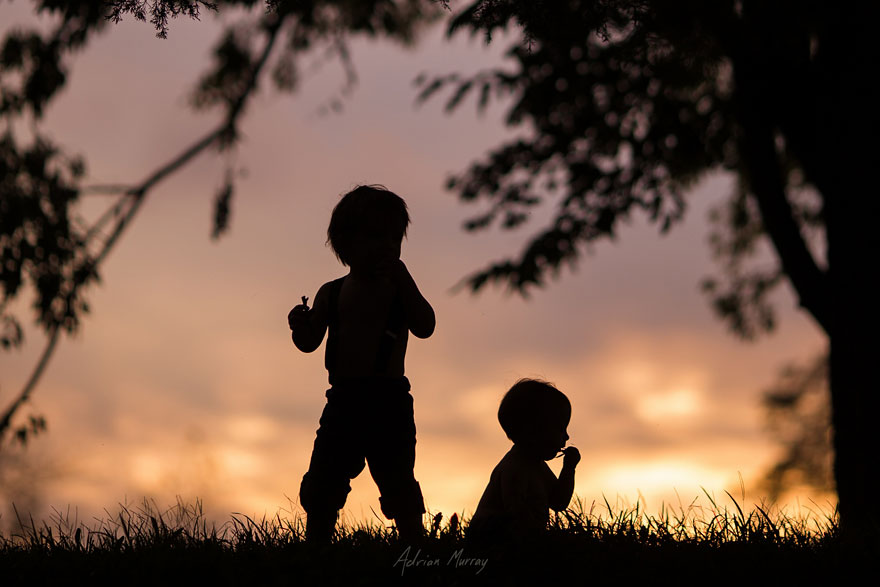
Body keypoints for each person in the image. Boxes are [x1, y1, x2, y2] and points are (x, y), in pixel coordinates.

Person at [288, 185, 435, 543]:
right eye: (374, 237)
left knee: (397, 475)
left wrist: (404, 279)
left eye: (392, 238)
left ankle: (414, 544)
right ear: (345, 244)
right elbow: (309, 343)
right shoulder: (331, 292)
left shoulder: (398, 289)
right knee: (325, 475)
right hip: (343, 400)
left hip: (389, 401)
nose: (386, 246)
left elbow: (425, 325)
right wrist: (299, 326)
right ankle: (317, 544)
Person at [468, 378, 580, 543]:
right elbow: (516, 514)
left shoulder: (536, 466)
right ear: (533, 430)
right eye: (560, 428)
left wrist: (569, 468)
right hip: (491, 541)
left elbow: (558, 502)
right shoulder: (514, 467)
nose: (566, 436)